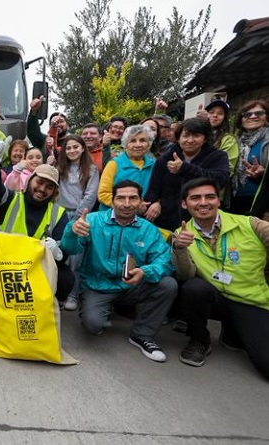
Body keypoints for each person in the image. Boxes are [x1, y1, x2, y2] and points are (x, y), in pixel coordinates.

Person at [61, 180, 178, 362]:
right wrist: (72, 231)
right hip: (97, 286)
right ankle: (104, 309)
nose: (126, 204)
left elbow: (165, 261)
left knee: (168, 285)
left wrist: (145, 272)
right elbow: (71, 249)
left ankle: (142, 334)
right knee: (93, 326)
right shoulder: (93, 220)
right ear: (112, 200)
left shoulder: (149, 230)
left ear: (140, 202)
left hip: (132, 285)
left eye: (133, 198)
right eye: (121, 198)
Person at [172, 177, 269, 379]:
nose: (203, 202)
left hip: (251, 301)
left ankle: (233, 332)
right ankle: (200, 339)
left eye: (210, 196)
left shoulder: (251, 224)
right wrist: (179, 248)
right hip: (214, 299)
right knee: (192, 288)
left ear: (219, 200)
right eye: (195, 198)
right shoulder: (181, 234)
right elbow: (185, 275)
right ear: (185, 203)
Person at [0, 140, 75, 306]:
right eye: (39, 182)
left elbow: (63, 251)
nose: (42, 189)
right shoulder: (11, 199)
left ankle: (44, 303)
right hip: (7, 265)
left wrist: (58, 251)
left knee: (66, 278)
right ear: (29, 181)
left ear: (54, 192)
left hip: (36, 268)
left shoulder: (58, 212)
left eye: (49, 187)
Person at [144, 117, 230, 232]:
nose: (190, 140)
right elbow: (154, 188)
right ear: (178, 138)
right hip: (167, 222)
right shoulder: (165, 158)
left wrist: (185, 168)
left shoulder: (217, 156)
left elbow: (220, 179)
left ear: (205, 139)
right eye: (186, 136)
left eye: (196, 136)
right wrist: (155, 202)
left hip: (203, 219)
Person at [55, 136, 99, 310]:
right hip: (59, 214)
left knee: (76, 258)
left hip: (81, 216)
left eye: (76, 147)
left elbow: (90, 195)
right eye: (68, 148)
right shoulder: (59, 168)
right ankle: (59, 292)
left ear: (82, 148)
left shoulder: (92, 169)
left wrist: (77, 217)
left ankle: (73, 295)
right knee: (59, 254)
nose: (72, 150)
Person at [98, 125, 156, 209]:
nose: (138, 145)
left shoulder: (154, 165)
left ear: (149, 144)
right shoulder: (114, 164)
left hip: (144, 217)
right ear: (125, 144)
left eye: (142, 140)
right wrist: (132, 205)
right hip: (113, 217)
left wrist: (157, 203)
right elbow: (103, 194)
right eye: (132, 141)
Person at [229, 100, 269, 216]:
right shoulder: (235, 141)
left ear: (266, 117)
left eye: (259, 113)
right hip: (237, 200)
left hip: (263, 201)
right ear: (241, 120)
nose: (253, 116)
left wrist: (265, 171)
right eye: (247, 114)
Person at [196, 99, 239, 178]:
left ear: (224, 118)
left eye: (220, 113)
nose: (215, 115)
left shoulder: (229, 140)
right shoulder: (195, 134)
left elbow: (226, 169)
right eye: (211, 112)